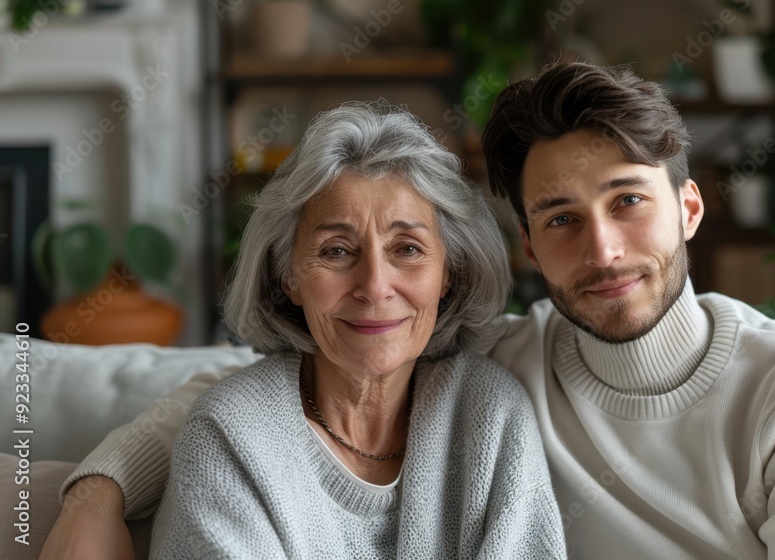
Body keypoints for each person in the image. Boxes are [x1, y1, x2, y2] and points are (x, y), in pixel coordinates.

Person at [43, 63, 775, 560]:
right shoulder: (512, 362)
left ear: (690, 208)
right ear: (526, 245)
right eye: (560, 219)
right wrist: (97, 490)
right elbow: (256, 395)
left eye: (628, 202)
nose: (604, 251)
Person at [42, 102, 567, 559]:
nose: (374, 286)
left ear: (449, 272)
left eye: (407, 249)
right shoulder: (232, 438)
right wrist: (94, 492)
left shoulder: (491, 413)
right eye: (336, 251)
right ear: (287, 277)